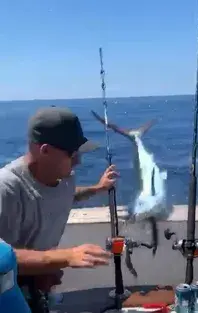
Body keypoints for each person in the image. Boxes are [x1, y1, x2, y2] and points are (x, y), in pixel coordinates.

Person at [0, 106, 118, 311]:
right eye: (72, 154)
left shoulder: (63, 177)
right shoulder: (7, 188)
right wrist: (62, 258)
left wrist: (98, 188)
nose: (78, 160)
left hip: (42, 289)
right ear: (45, 150)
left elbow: (61, 196)